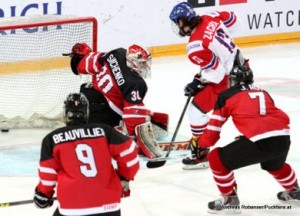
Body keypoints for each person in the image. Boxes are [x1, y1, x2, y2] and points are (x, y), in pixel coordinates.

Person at [193, 67, 300, 213]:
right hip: (283, 138)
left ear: (233, 80)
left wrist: (201, 145)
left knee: (216, 159)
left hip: (262, 141)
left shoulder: (226, 95)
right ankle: (295, 191)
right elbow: (266, 117)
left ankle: (229, 200)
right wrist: (250, 135)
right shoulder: (263, 92)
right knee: (275, 165)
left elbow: (214, 130)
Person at [169, 2, 250, 169]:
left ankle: (201, 151)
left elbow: (217, 73)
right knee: (240, 108)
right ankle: (255, 136)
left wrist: (199, 82)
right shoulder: (211, 15)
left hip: (228, 79)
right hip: (244, 69)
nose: (177, 26)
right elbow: (236, 23)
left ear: (183, 22)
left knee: (196, 110)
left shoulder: (194, 47)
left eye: (177, 22)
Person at [33, 93, 140, 216]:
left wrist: (42, 195)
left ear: (66, 114)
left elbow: (48, 175)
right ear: (87, 112)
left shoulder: (52, 139)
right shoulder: (105, 131)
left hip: (72, 208)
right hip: (109, 206)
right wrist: (123, 178)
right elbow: (130, 152)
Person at [67, 43, 169, 159]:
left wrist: (77, 61)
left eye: (146, 63)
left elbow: (89, 61)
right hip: (103, 111)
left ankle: (82, 124)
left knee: (86, 87)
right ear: (132, 61)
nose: (145, 66)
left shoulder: (117, 53)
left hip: (88, 97)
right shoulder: (136, 83)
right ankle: (108, 131)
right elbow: (133, 115)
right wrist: (134, 139)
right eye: (142, 63)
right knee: (101, 137)